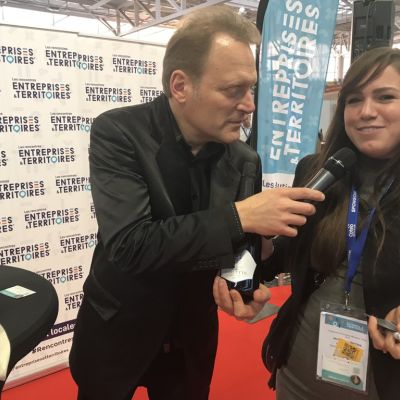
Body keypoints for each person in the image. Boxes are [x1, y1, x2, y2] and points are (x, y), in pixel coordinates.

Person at [68, 6, 324, 400]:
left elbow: (241, 250)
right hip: (117, 328)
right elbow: (130, 244)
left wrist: (241, 286)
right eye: (233, 90)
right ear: (180, 85)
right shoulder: (119, 132)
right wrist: (240, 216)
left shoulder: (244, 160)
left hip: (191, 339)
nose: (249, 105)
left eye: (251, 89)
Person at [214, 46, 400, 400]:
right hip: (300, 368)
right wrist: (259, 254)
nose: (366, 111)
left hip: (384, 379)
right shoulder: (319, 170)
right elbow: (290, 252)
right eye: (354, 100)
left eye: (385, 97)